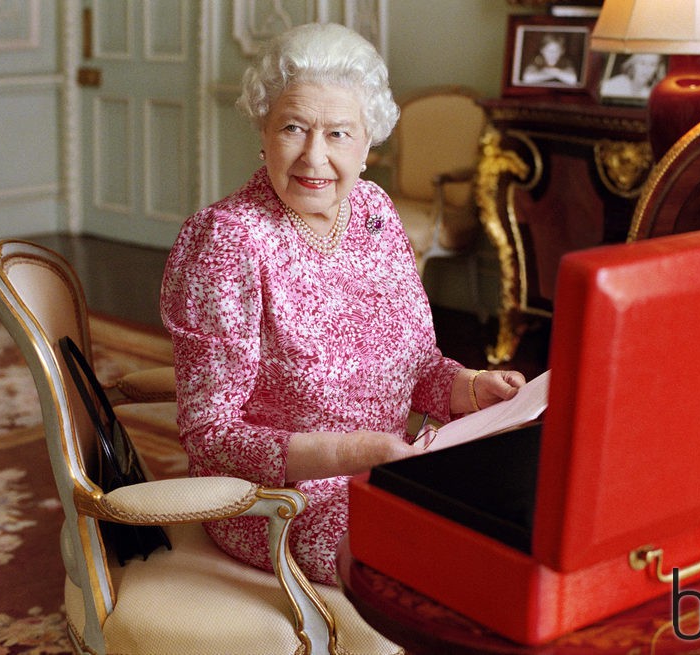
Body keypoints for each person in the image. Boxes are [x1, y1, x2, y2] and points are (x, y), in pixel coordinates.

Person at [160, 22, 526, 586]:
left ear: (368, 143)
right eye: (293, 128)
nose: (314, 156)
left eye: (338, 134)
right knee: (442, 569)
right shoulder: (229, 240)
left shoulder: (374, 210)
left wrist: (469, 387)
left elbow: (417, 365)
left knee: (520, 518)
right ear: (263, 128)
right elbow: (210, 434)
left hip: (390, 468)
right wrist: (350, 453)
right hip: (279, 503)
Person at [599, 53, 663, 100]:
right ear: (633, 65)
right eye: (642, 63)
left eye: (652, 64)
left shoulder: (649, 94)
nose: (647, 69)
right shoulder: (614, 85)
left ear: (657, 69)